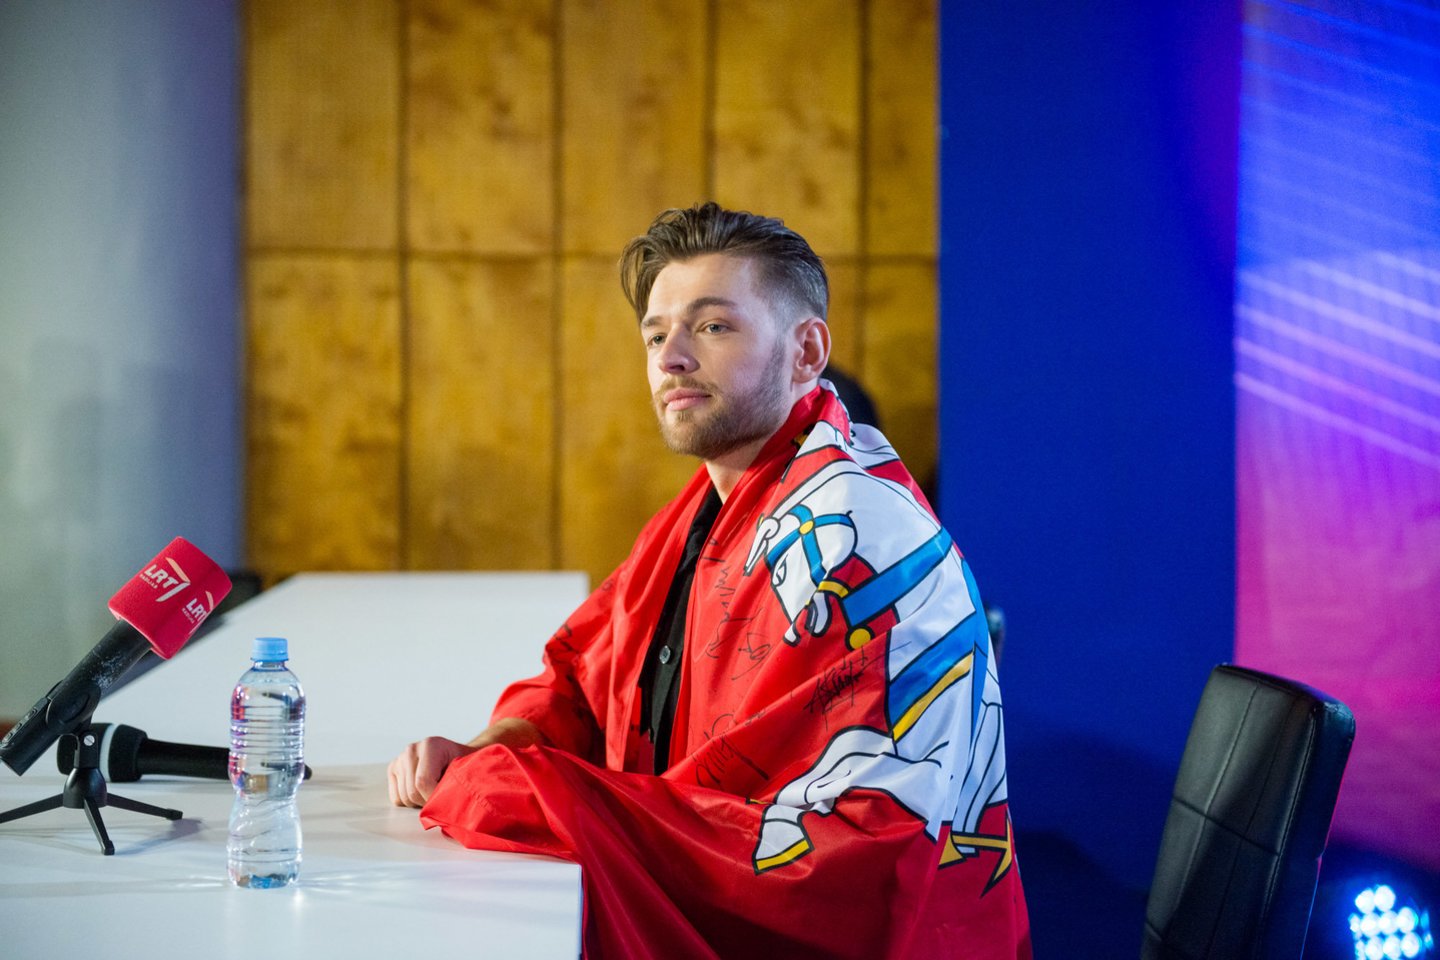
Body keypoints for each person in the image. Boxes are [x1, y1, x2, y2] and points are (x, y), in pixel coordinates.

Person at [388, 202, 1031, 959]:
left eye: (713, 326)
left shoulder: (850, 535)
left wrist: (512, 790)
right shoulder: (710, 506)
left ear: (806, 351)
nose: (672, 358)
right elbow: (582, 680)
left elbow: (841, 864)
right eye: (656, 334)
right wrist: (492, 748)